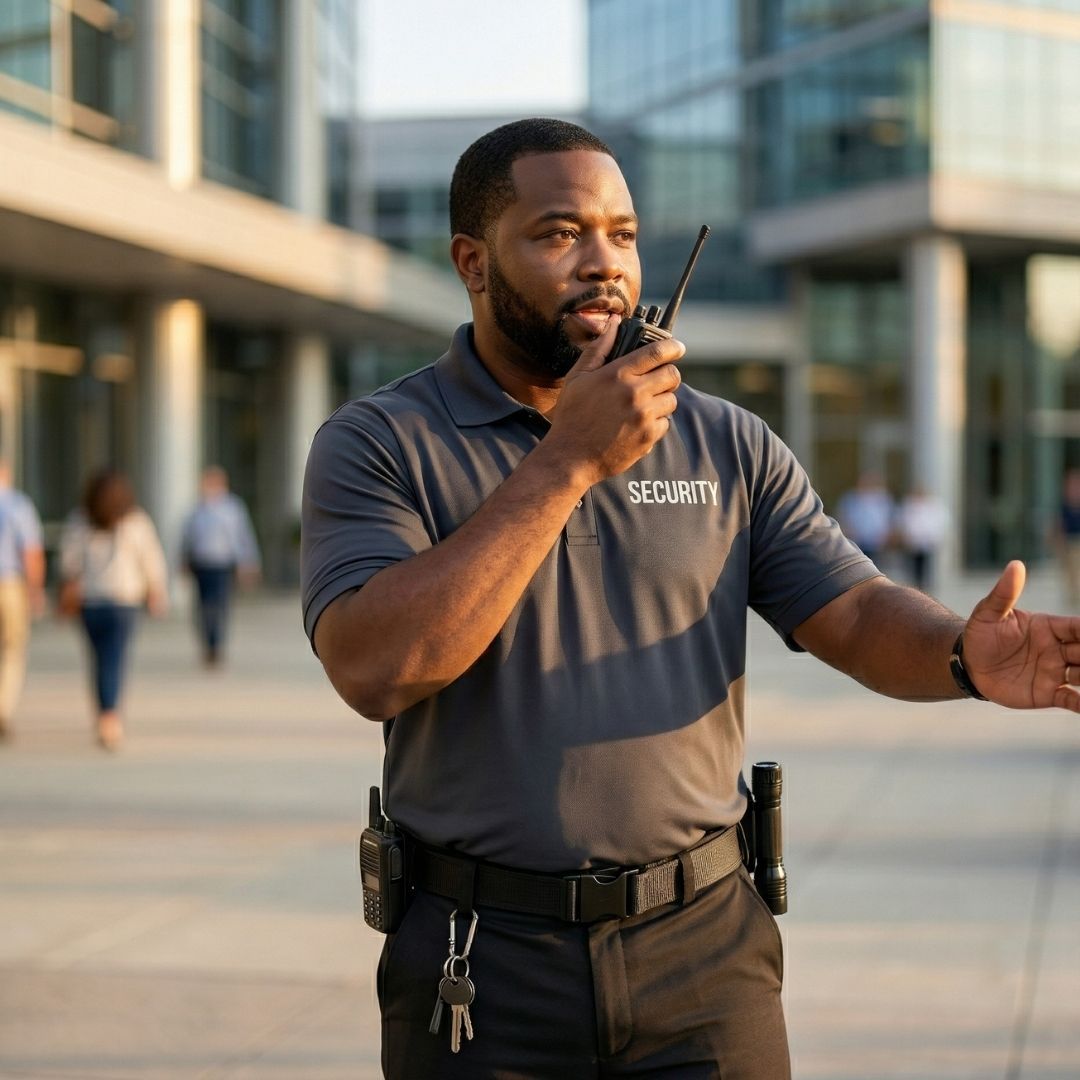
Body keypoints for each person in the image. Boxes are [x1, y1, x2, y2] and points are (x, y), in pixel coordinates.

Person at [300, 119, 1080, 1078]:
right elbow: (376, 667)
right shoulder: (380, 441)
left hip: (704, 957)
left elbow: (857, 611)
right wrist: (570, 459)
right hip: (479, 964)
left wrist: (961, 652)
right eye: (559, 234)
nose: (603, 264)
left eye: (622, 234)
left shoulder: (726, 442)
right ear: (473, 260)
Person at [58, 470, 168, 750]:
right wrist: (156, 591)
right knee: (114, 658)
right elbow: (151, 558)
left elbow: (68, 563)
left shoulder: (80, 520)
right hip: (123, 602)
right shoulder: (136, 521)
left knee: (98, 659)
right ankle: (109, 715)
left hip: (90, 602)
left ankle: (104, 713)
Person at [180, 465, 260, 666]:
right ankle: (207, 643)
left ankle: (217, 645)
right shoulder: (197, 509)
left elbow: (243, 537)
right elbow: (187, 538)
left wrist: (248, 563)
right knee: (202, 607)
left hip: (223, 564)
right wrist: (183, 560)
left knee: (221, 606)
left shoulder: (233, 508)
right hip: (201, 564)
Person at [0, 460, 45, 739]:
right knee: (13, 648)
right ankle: (2, 708)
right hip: (9, 585)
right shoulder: (17, 505)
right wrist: (35, 590)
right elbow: (30, 551)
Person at [895, 485, 949, 591]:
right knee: (913, 566)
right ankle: (914, 586)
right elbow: (902, 522)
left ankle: (925, 586)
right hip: (912, 542)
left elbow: (939, 522)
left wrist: (933, 537)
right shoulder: (908, 505)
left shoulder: (933, 505)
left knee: (926, 566)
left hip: (927, 542)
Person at [836, 472, 895, 565]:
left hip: (877, 541)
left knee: (875, 566)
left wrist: (886, 534)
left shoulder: (882, 498)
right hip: (856, 540)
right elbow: (843, 516)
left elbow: (888, 518)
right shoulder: (850, 498)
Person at [1052, 467, 1080, 607]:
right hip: (1069, 541)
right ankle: (1073, 597)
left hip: (1078, 541)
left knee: (1076, 568)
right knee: (1070, 571)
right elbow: (1060, 524)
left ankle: (1076, 596)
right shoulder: (1065, 504)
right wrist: (1059, 541)